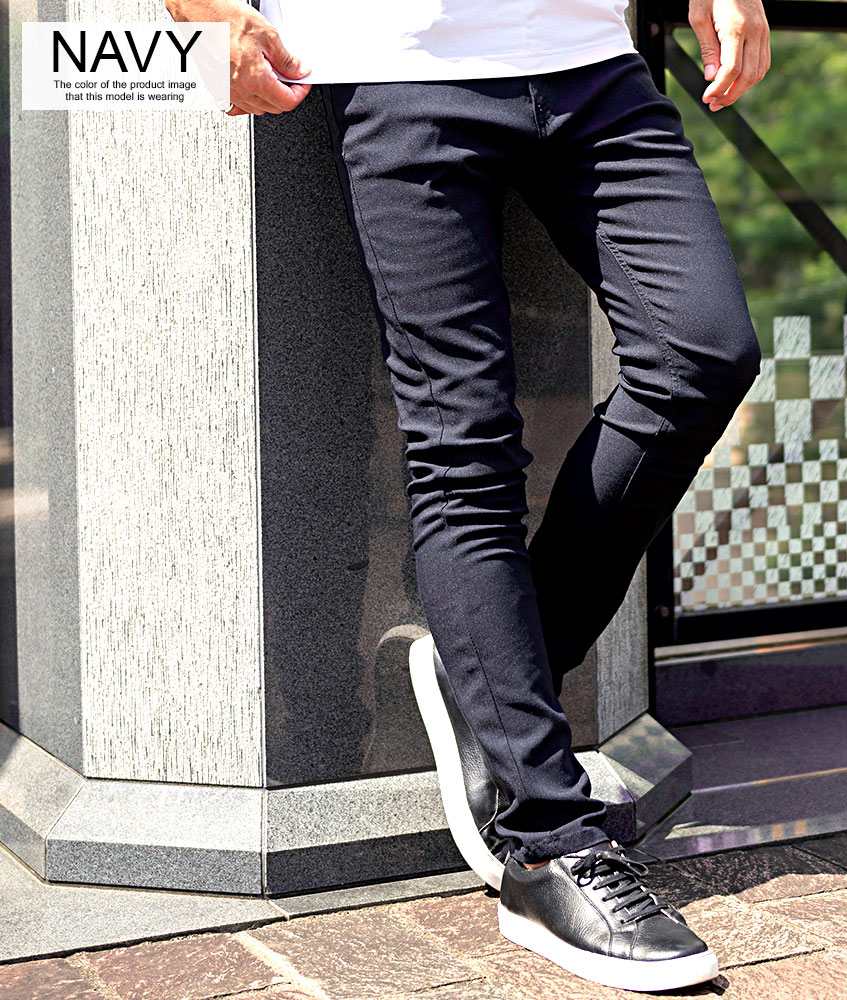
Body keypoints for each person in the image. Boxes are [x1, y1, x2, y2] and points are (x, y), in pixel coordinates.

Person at [167, 0, 769, 990]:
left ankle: (490, 668)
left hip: (587, 59)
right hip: (395, 66)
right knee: (464, 446)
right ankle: (547, 845)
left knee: (702, 355)